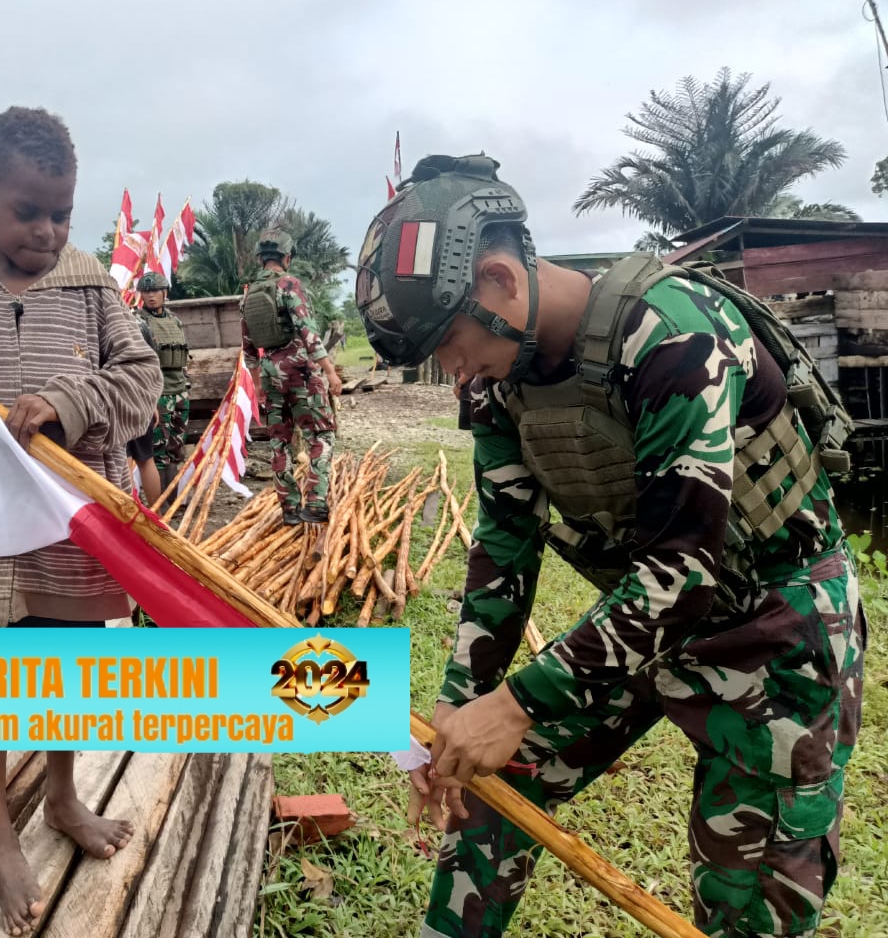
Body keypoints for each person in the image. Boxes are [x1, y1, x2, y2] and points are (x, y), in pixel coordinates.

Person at [355, 154, 866, 938]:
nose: (452, 373)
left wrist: (519, 703)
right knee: (495, 789)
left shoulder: (674, 336)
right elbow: (503, 550)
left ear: (498, 281)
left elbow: (684, 569)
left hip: (780, 622)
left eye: (448, 345)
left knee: (747, 901)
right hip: (646, 617)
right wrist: (462, 714)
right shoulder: (499, 379)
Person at [0, 105, 161, 936]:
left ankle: (58, 794)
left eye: (61, 213)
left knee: (63, 676)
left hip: (65, 532)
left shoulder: (91, 285)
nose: (47, 231)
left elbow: (142, 379)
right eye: (28, 212)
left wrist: (67, 401)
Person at [240, 229, 341, 525]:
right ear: (286, 257)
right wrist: (331, 370)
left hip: (269, 371)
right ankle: (316, 502)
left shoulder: (248, 295)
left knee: (278, 441)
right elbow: (308, 332)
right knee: (320, 434)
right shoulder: (289, 284)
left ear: (260, 259)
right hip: (299, 369)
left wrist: (259, 384)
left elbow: (248, 348)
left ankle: (290, 509)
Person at [133, 271, 190, 490]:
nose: (150, 296)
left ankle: (172, 501)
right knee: (158, 451)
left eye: (155, 290)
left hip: (180, 392)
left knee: (176, 449)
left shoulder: (175, 321)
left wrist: (186, 385)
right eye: (146, 291)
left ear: (164, 292)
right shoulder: (138, 323)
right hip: (159, 395)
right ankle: (161, 507)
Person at [126, 309, 164, 507]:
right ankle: (157, 514)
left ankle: (133, 517)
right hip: (143, 400)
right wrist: (153, 402)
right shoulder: (141, 324)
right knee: (146, 459)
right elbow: (153, 366)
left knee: (124, 461)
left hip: (117, 400)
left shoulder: (104, 322)